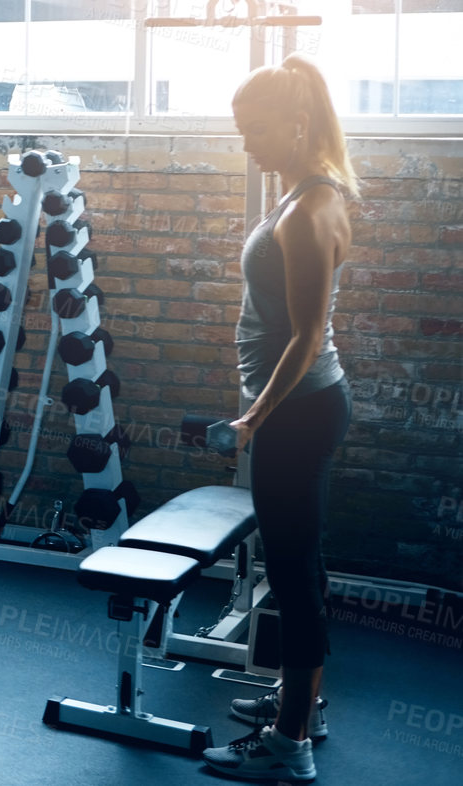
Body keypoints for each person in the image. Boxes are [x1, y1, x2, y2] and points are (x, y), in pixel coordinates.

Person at [204, 54, 357, 784]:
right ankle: (305, 707)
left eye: (254, 129)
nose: (246, 144)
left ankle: (288, 748)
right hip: (302, 410)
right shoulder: (304, 194)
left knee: (292, 576)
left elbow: (307, 331)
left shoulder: (308, 210)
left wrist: (255, 414)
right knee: (302, 568)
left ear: (295, 125)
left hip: (295, 415)